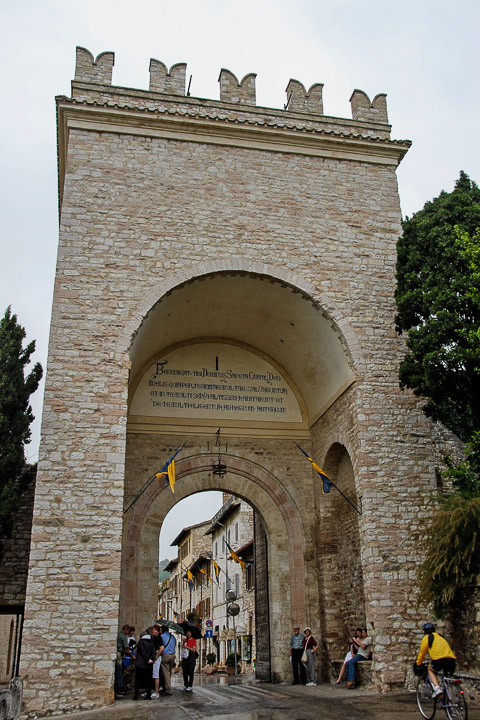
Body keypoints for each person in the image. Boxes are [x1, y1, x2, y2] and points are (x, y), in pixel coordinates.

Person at [415, 622, 456, 699]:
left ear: (424, 631)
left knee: (430, 669)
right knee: (448, 681)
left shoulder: (427, 638)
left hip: (439, 660)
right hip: (451, 660)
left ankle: (437, 688)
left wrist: (418, 664)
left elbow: (422, 654)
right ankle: (452, 704)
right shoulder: (441, 637)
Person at [133, 628, 156, 700]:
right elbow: (153, 652)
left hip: (140, 664)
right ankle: (148, 695)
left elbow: (142, 651)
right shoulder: (151, 643)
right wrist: (151, 659)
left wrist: (147, 659)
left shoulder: (141, 642)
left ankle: (136, 695)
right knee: (148, 680)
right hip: (149, 665)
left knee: (138, 679)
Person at [159, 625, 177, 696]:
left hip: (165, 655)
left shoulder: (162, 636)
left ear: (162, 630)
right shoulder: (173, 637)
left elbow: (160, 646)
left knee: (165, 673)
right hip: (172, 655)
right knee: (169, 672)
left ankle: (168, 689)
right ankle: (167, 686)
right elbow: (174, 645)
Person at [115, 624, 132, 696]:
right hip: (120, 653)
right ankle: (119, 688)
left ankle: (118, 688)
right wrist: (132, 656)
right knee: (119, 670)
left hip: (116, 652)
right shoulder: (124, 637)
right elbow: (126, 648)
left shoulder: (118, 634)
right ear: (127, 630)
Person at [151, 624, 163, 699]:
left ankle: (156, 692)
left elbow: (162, 648)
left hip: (157, 658)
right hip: (155, 657)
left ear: (158, 631)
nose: (153, 631)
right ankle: (154, 690)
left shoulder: (158, 638)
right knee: (153, 674)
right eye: (153, 629)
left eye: (155, 630)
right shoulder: (154, 637)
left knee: (155, 675)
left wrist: (156, 656)